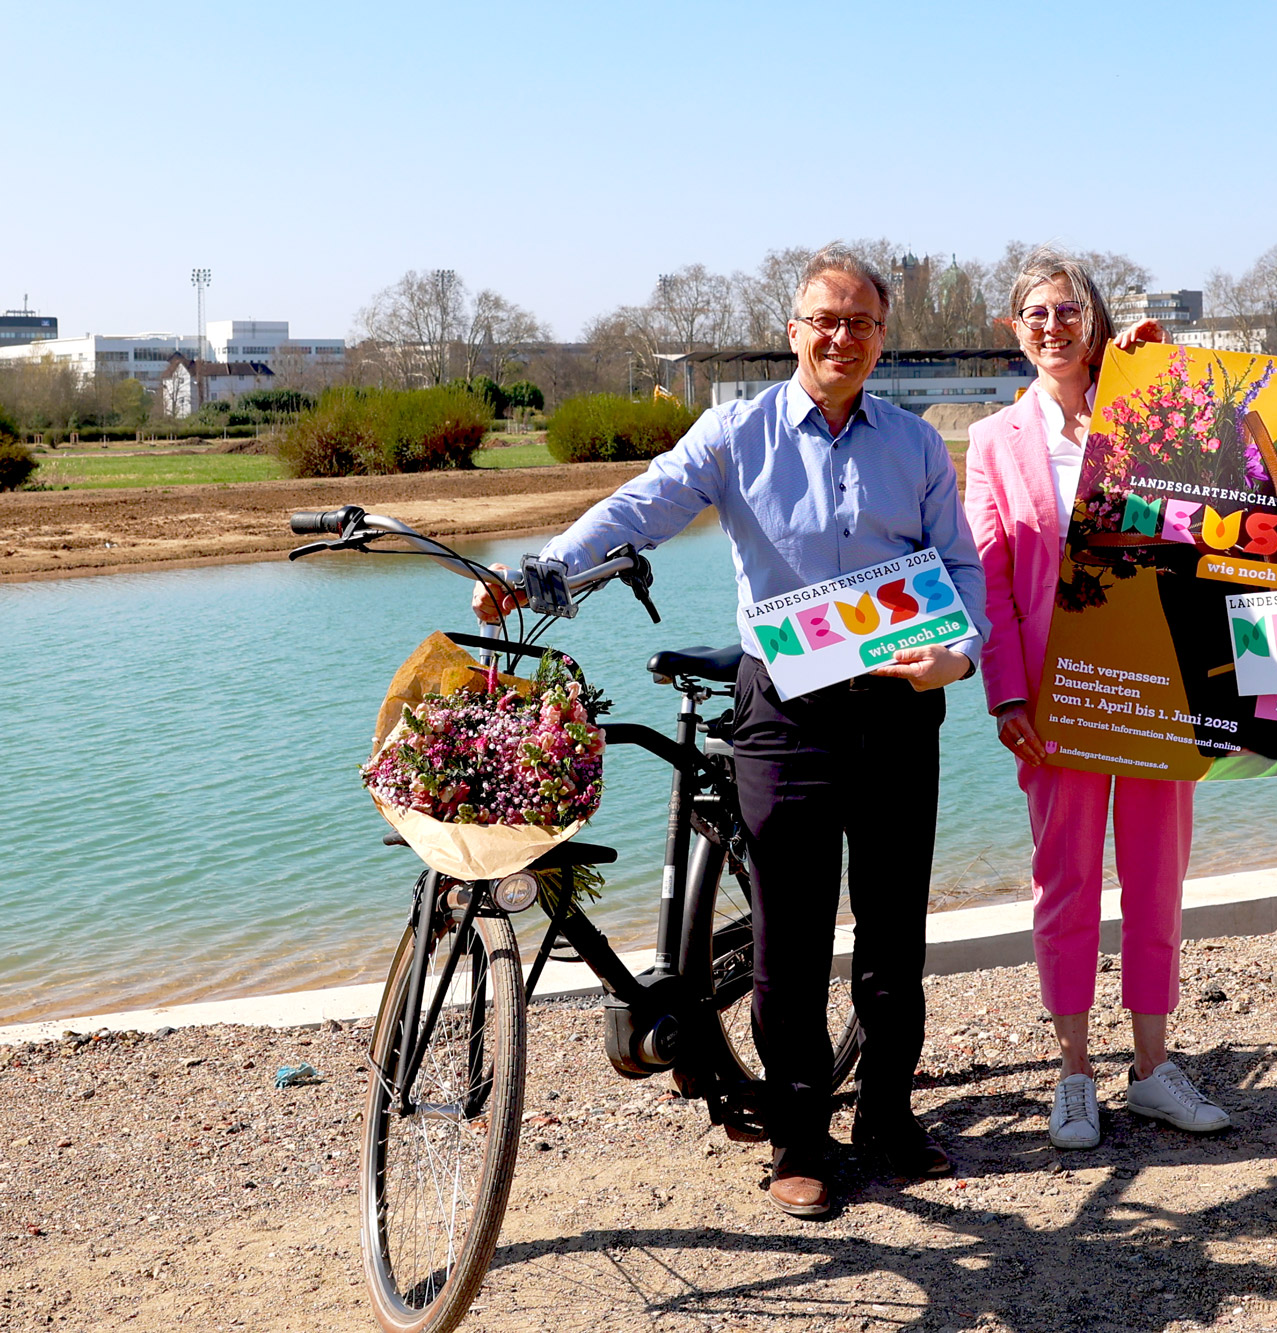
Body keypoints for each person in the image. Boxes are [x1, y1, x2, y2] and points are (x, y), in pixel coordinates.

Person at [476, 244, 988, 1218]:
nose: (841, 337)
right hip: (785, 709)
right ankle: (799, 1137)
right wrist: (540, 571)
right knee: (787, 945)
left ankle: (887, 1116)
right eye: (823, 320)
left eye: (861, 323)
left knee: (891, 937)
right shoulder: (736, 431)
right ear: (793, 331)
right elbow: (641, 507)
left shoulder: (915, 446)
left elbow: (958, 569)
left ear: (882, 338)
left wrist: (956, 653)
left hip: (898, 709)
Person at [963, 247, 1229, 1151]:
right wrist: (1006, 698)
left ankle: (1153, 1068)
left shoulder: (1149, 413)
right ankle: (1073, 1071)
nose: (1052, 326)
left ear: (1096, 322)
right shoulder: (994, 442)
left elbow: (1222, 492)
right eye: (1035, 312)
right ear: (1014, 329)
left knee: (1157, 876)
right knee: (1066, 881)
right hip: (1056, 697)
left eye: (1068, 310)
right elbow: (989, 582)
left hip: (1156, 686)